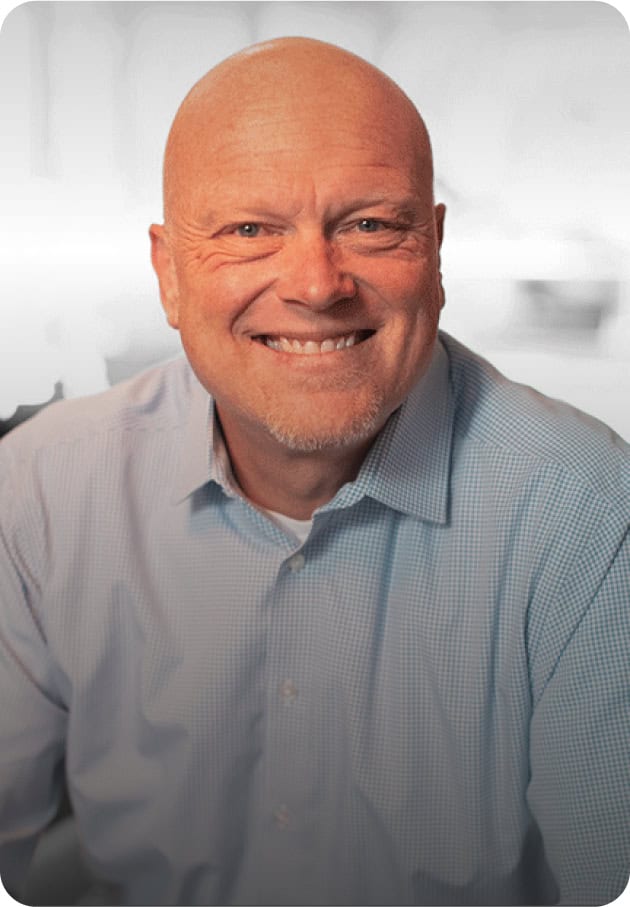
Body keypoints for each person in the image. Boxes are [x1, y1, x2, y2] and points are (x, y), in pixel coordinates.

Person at [0, 36, 628, 907]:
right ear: (168, 273)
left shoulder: (588, 511)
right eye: (250, 230)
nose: (317, 284)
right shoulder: (35, 494)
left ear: (436, 251)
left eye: (370, 224)